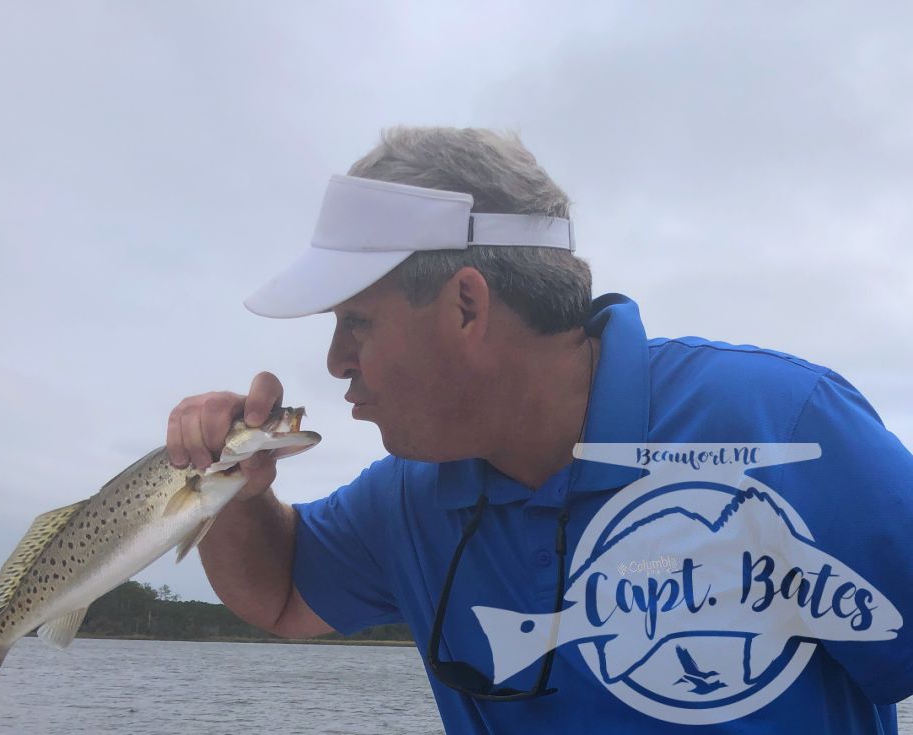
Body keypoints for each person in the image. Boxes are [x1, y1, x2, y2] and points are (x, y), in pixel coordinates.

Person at [166, 127, 913, 733]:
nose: (335, 362)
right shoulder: (409, 497)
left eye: (355, 321)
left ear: (466, 306)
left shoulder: (783, 427)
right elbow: (283, 595)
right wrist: (225, 481)